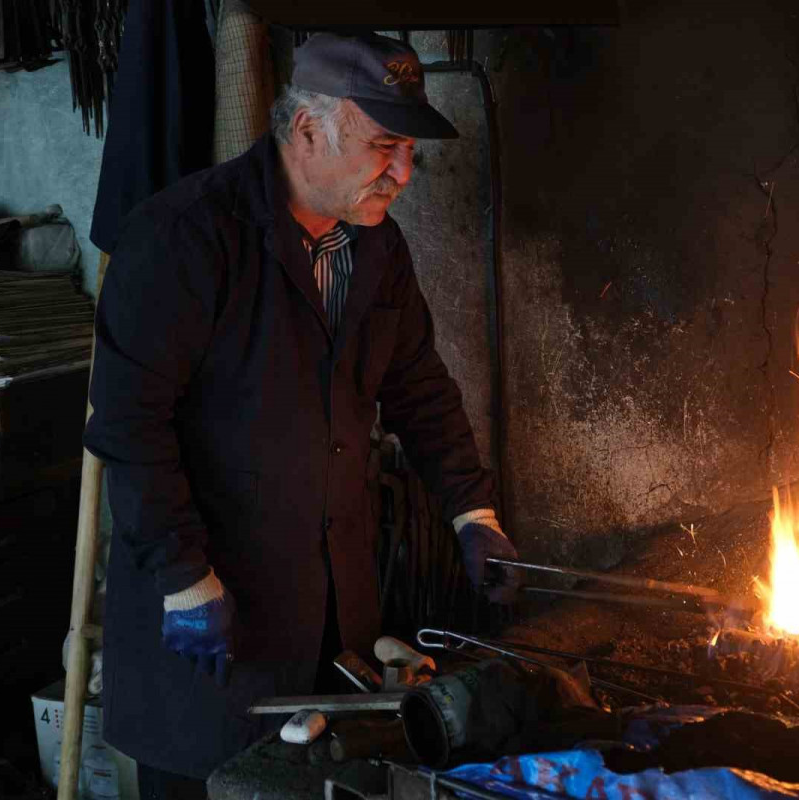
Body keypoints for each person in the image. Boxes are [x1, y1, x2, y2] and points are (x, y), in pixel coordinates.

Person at [83, 32, 521, 792]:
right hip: (209, 628)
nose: (405, 173)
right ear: (308, 128)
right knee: (210, 782)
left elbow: (419, 387)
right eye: (385, 145)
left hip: (330, 622)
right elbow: (130, 427)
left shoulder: (376, 248)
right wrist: (185, 577)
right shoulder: (184, 236)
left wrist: (472, 514)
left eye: (411, 150)